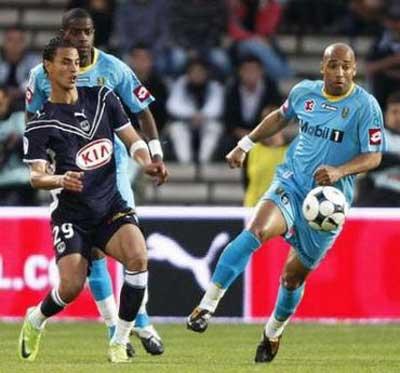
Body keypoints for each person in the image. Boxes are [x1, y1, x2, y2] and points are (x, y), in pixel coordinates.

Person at [187, 43, 386, 362]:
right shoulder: (303, 93)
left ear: (354, 68)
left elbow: (374, 156)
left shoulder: (366, 107)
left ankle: (273, 332)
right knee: (255, 231)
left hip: (327, 204)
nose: (339, 73)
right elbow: (279, 119)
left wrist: (339, 171)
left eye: (346, 66)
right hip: (291, 183)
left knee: (292, 277)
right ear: (322, 68)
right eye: (333, 65)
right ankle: (207, 306)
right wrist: (245, 144)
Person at [26, 8, 167, 355]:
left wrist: (152, 156)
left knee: (136, 253)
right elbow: (37, 130)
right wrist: (54, 172)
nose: (82, 41)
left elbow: (139, 117)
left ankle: (132, 329)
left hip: (111, 166)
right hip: (70, 176)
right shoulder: (40, 82)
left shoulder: (110, 76)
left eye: (87, 32)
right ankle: (108, 324)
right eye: (75, 34)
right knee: (81, 271)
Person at [355, 91, 400, 206]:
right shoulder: (376, 135)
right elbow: (370, 160)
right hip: (380, 194)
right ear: (386, 115)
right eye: (394, 112)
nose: (398, 117)